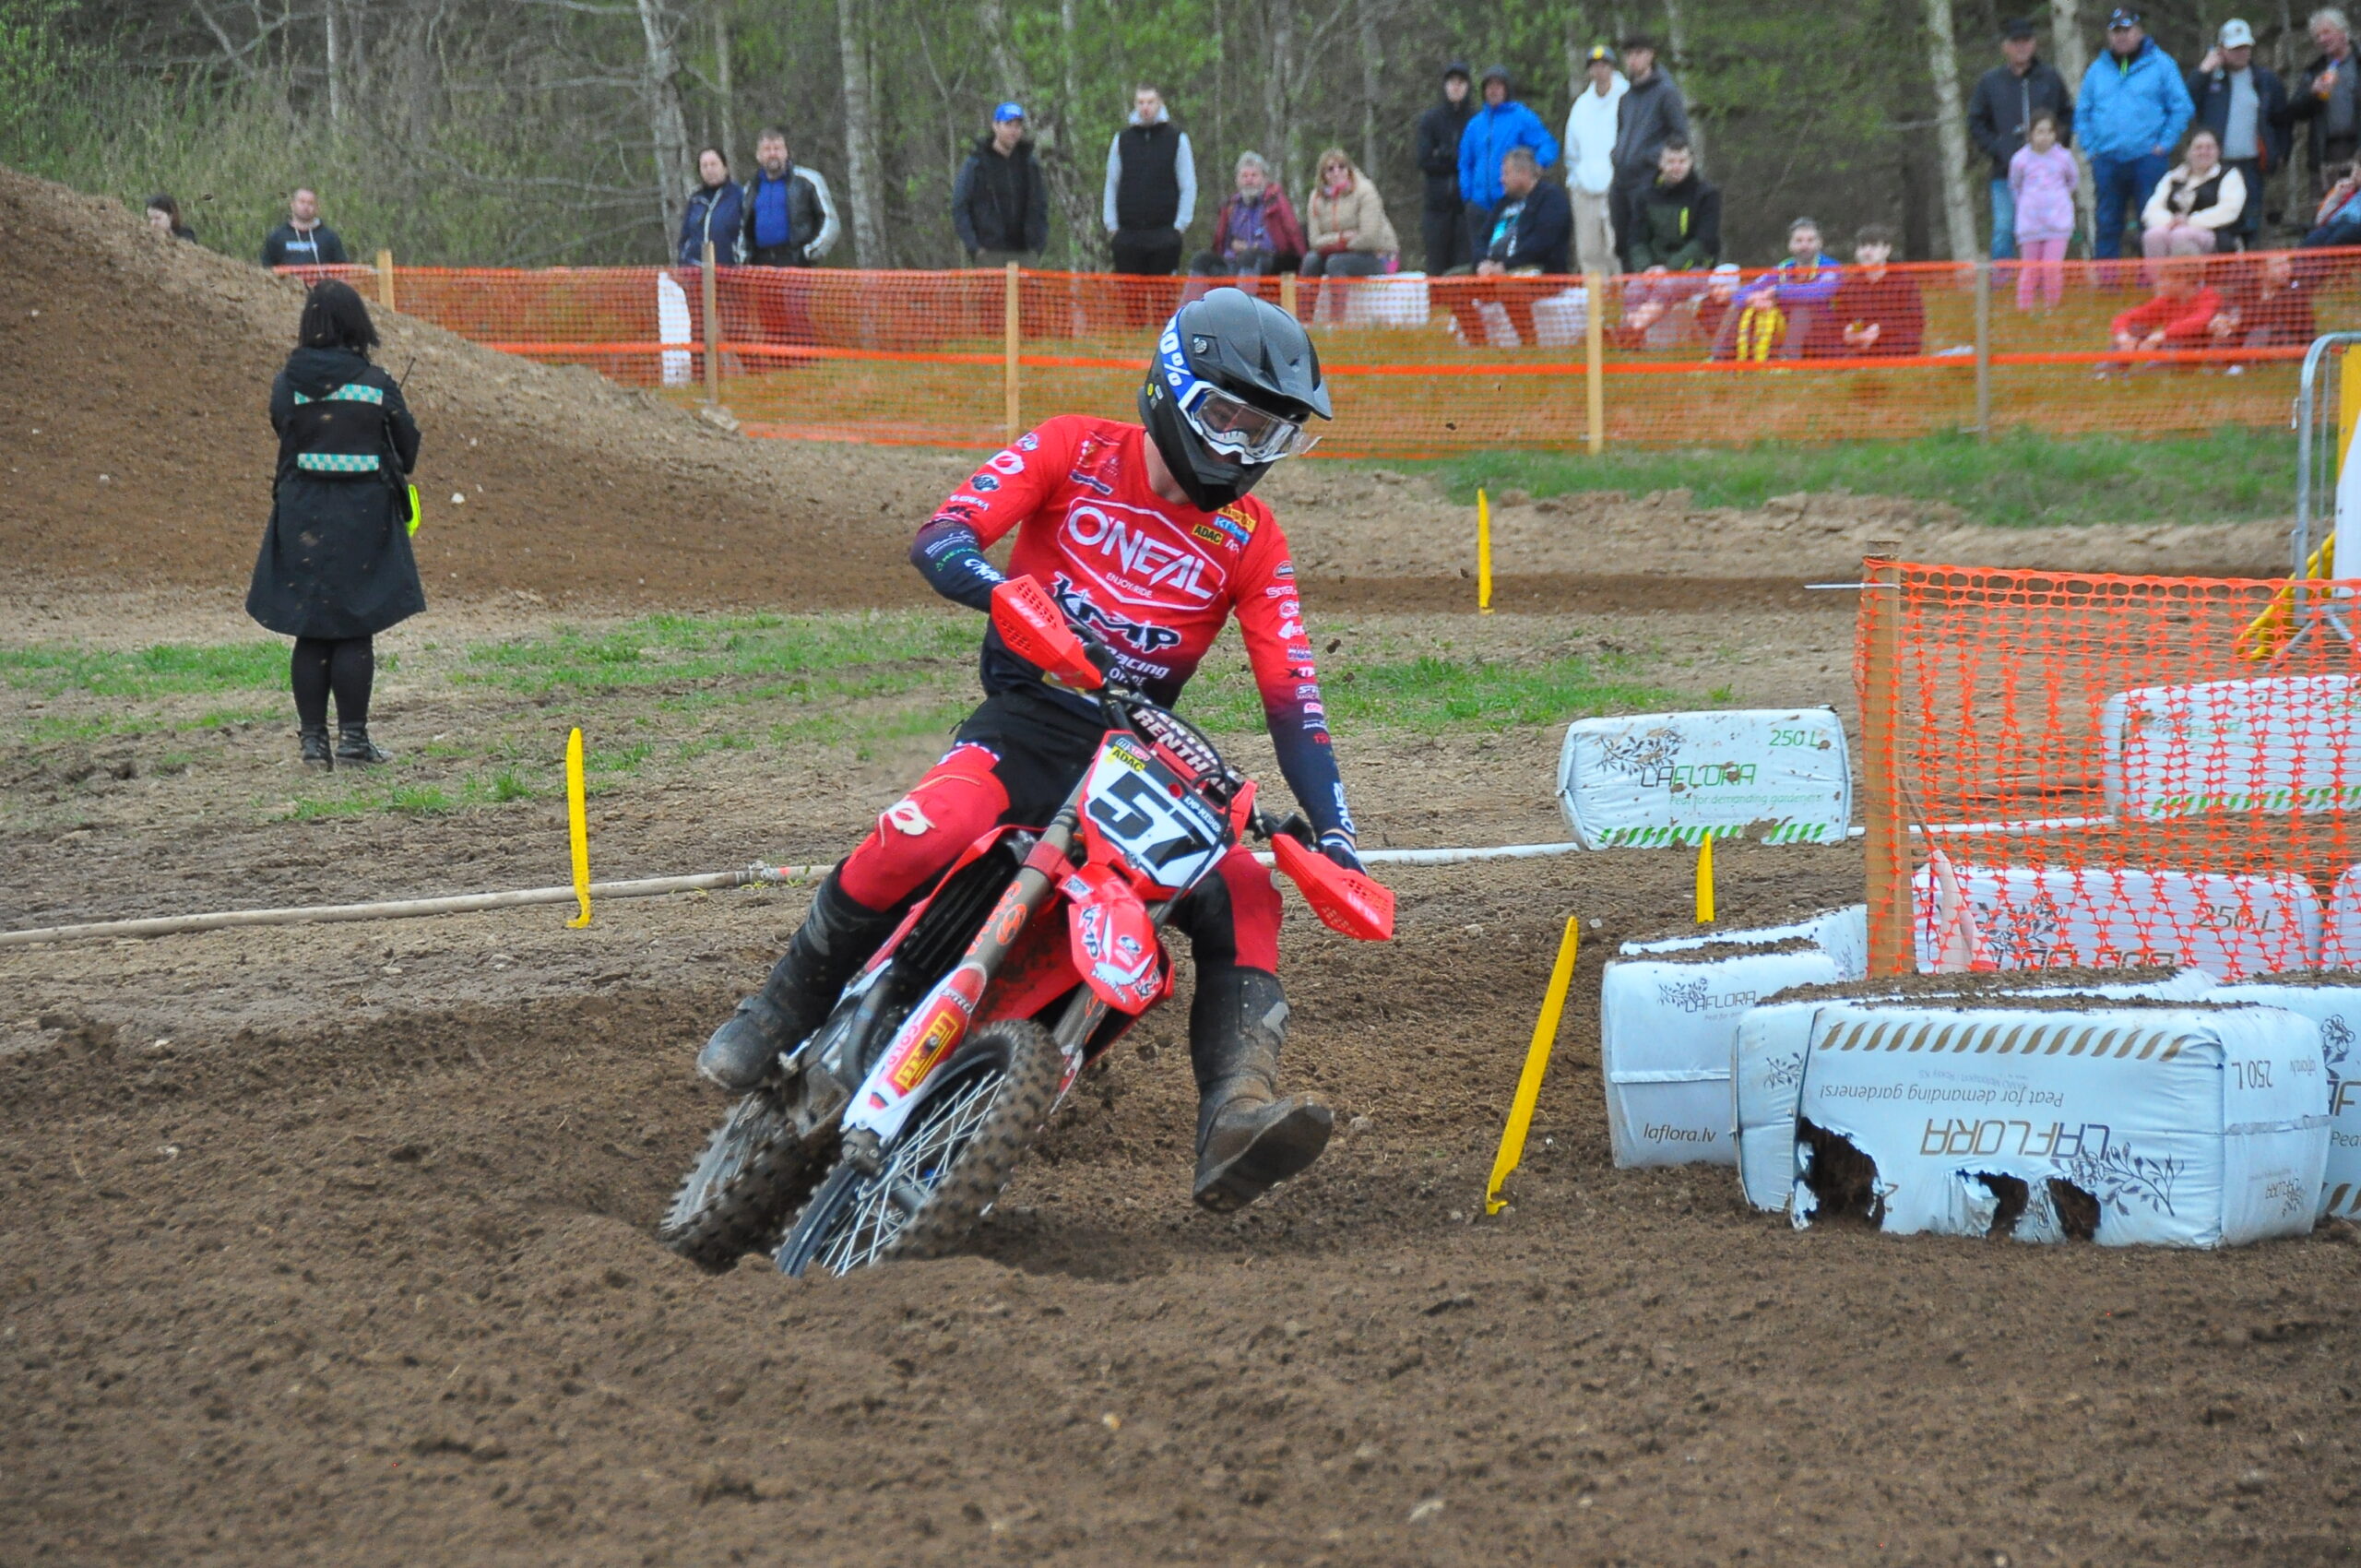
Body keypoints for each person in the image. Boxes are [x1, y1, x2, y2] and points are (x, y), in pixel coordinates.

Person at [698, 287, 1357, 1216]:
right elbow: (943, 537)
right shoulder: (1074, 449)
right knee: (930, 828)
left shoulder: (1252, 538)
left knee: (1245, 889)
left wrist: (1336, 831)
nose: (1244, 451)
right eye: (1228, 420)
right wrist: (1009, 598)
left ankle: (1234, 1112)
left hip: (1135, 753)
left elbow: (1294, 697)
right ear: (1171, 385)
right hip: (1029, 719)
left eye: (1269, 435)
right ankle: (781, 1006)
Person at [244, 281, 422, 770]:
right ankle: (354, 741)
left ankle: (313, 744)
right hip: (363, 519)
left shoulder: (287, 383)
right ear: (356, 324)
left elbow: (283, 429)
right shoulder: (377, 383)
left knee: (311, 628)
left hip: (301, 516)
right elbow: (406, 452)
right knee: (354, 626)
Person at [2079, 10, 2195, 264]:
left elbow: (2182, 107)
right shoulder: (2097, 70)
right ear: (2109, 35)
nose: (2121, 36)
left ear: (2139, 31)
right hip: (2107, 159)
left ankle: (2150, 278)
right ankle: (2107, 278)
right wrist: (2091, 148)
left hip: (2147, 158)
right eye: (2116, 31)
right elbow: (2083, 112)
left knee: (2151, 221)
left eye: (2127, 30)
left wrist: (2164, 144)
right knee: (2107, 222)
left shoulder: (2161, 64)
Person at [1968, 18, 2076, 261]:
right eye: (2015, 42)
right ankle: (2003, 280)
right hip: (2006, 171)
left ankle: (2045, 277)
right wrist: (1998, 148)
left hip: (2047, 175)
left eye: (2026, 41)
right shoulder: (1990, 82)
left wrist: (2057, 148)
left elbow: (2067, 114)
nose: (2021, 47)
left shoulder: (2050, 77)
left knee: (2050, 231)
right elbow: (1976, 121)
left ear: (2034, 43)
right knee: (2004, 228)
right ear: (2005, 46)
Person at [1444, 147, 1572, 348]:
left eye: (1506, 173)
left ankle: (1529, 343)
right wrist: (1482, 263)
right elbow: (1482, 239)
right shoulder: (1504, 203)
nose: (1501, 180)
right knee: (1451, 282)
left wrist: (1505, 266)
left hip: (1539, 272)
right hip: (1495, 271)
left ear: (1524, 173)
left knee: (1509, 286)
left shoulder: (1551, 199)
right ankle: (1478, 342)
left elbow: (1542, 243)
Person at [2187, 20, 2288, 247]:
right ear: (2221, 49)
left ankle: (2251, 264)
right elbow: (2185, 102)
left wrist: (2280, 152)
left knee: (2251, 222)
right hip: (2216, 166)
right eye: (2234, 48)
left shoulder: (2265, 80)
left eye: (2244, 47)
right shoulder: (2209, 80)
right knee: (2216, 225)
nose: (2241, 53)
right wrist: (2203, 70)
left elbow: (2281, 120)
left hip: (2252, 164)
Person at [1455, 65, 1559, 270]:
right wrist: (1467, 195)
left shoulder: (1522, 117)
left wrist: (1534, 168)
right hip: (1478, 206)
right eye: (1489, 86)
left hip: (1510, 204)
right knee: (1481, 262)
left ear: (1506, 89)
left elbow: (1548, 145)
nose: (1493, 91)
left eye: (1498, 86)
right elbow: (1465, 162)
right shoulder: (1475, 124)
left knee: (1508, 260)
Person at [1609, 37, 1692, 270]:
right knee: (1622, 242)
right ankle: (1629, 290)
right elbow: (1622, 134)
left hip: (1648, 179)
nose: (1633, 60)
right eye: (1629, 55)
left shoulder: (1666, 93)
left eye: (1638, 53)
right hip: (1621, 180)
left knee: (1644, 240)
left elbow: (1680, 135)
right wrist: (1616, 155)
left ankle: (1650, 290)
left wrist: (1653, 159)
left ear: (1650, 55)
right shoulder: (1626, 98)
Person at [1714, 218, 1840, 361]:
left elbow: (1820, 292)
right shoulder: (1783, 268)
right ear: (1790, 245)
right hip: (1784, 327)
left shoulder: (1831, 267)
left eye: (1810, 240)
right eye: (1799, 241)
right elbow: (1743, 292)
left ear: (1820, 243)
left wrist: (1779, 291)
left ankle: (1788, 361)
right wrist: (1753, 298)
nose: (1804, 246)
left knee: (1801, 310)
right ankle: (1718, 358)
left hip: (1823, 332)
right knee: (1737, 307)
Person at [1104, 85, 1197, 277]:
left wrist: (1179, 226)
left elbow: (1188, 185)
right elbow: (1112, 183)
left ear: (1159, 103)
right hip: (1128, 236)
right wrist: (1112, 226)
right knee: (1129, 295)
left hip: (1165, 235)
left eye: (1150, 102)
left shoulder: (1177, 139)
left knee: (1163, 294)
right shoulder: (1122, 140)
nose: (1145, 107)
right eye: (1141, 102)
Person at [1299, 147, 1399, 323]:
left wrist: (1334, 244)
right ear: (1323, 175)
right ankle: (1303, 321)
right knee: (1311, 260)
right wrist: (1342, 238)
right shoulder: (1316, 197)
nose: (1336, 172)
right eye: (1330, 169)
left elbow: (1369, 237)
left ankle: (1337, 323)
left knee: (1336, 262)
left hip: (1379, 255)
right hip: (1339, 251)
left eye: (1341, 167)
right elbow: (1314, 241)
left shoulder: (1365, 190)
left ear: (1349, 169)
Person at [953, 102, 1050, 266]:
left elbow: (1040, 205)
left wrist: (1038, 246)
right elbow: (960, 207)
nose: (1013, 131)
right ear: (995, 126)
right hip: (989, 253)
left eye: (1017, 126)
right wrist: (975, 248)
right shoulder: (976, 164)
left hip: (1025, 253)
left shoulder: (1029, 164)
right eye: (1008, 125)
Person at [1188, 152, 1304, 287]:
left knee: (1249, 257)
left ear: (1264, 179)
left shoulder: (1274, 203)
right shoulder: (1231, 206)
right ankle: (1192, 301)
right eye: (1244, 176)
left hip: (1270, 262)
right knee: (1202, 259)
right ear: (1237, 180)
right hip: (1233, 262)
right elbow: (1224, 245)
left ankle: (1243, 300)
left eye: (1254, 175)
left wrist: (1247, 247)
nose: (1249, 180)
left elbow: (1275, 244)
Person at [1563, 44, 1629, 275]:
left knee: (1617, 250)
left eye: (1604, 65)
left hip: (1617, 188)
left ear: (1612, 68)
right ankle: (1595, 298)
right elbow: (1571, 150)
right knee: (1589, 253)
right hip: (1585, 191)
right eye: (1595, 66)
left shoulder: (1627, 98)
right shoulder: (1582, 106)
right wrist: (1577, 180)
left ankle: (1622, 297)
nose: (1599, 70)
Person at [1811, 225, 1925, 357]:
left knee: (1908, 341)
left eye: (1873, 246)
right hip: (1857, 341)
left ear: (1887, 250)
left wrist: (1880, 330)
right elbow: (1840, 318)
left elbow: (1916, 321)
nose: (1866, 252)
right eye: (1862, 247)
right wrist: (1848, 331)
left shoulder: (1905, 281)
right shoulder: (1849, 285)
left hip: (1892, 340)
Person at [739, 128, 841, 267]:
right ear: (758, 155)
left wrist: (810, 253)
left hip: (796, 263)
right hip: (760, 265)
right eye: (767, 149)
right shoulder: (750, 188)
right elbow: (741, 226)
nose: (773, 154)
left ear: (786, 152)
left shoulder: (808, 181)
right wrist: (744, 255)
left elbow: (830, 221)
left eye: (777, 148)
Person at [2142, 127, 2247, 259]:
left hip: (2214, 234)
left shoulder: (2229, 175)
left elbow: (2229, 210)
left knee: (2181, 235)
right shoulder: (2172, 177)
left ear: (2218, 151)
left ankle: (2188, 274)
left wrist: (2190, 221)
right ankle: (2160, 274)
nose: (2204, 152)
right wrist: (2171, 222)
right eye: (2198, 148)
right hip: (2173, 228)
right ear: (2188, 152)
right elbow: (2152, 209)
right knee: (2153, 235)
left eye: (2209, 148)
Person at [2011, 110, 2081, 308]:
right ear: (2031, 134)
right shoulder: (2020, 159)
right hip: (2030, 224)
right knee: (2030, 269)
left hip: (2058, 223)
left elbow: (2073, 180)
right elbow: (2015, 185)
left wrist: (2058, 199)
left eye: (2049, 132)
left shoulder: (2064, 157)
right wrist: (2028, 204)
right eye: (2040, 132)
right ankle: (2025, 309)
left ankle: (2052, 307)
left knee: (2052, 269)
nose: (2045, 137)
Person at [2290, 8, 2361, 202]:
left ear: (2343, 32)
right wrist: (2312, 93)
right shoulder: (2315, 70)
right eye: (2317, 36)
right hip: (2326, 155)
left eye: (2326, 32)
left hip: (2358, 150)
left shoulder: (2357, 63)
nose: (2322, 39)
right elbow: (2295, 111)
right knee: (2327, 213)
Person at [1415, 64, 1477, 272]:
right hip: (1436, 208)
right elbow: (1424, 160)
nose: (1456, 87)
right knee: (1436, 267)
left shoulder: (1476, 121)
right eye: (1452, 82)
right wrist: (1456, 158)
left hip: (1465, 207)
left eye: (1461, 82)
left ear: (1468, 86)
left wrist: (1444, 154)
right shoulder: (1431, 120)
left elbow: (1475, 160)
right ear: (1444, 86)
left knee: (1463, 268)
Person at [1623, 138, 1719, 270]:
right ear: (1660, 163)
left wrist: (1669, 268)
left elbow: (1704, 241)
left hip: (1694, 268)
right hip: (1653, 270)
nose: (1676, 167)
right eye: (1670, 162)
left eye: (1682, 161)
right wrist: (1646, 268)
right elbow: (1636, 239)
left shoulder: (1707, 194)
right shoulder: (1645, 195)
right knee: (1634, 284)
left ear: (1691, 162)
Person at [2106, 259, 2221, 356]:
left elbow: (2199, 322)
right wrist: (2123, 337)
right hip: (2170, 342)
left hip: (2196, 347)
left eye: (2164, 279)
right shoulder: (2164, 301)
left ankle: (2157, 370)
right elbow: (2126, 317)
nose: (2159, 284)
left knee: (2177, 340)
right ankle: (2106, 370)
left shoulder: (2208, 297)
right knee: (2135, 328)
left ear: (2182, 280)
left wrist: (2161, 335)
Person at [2210, 251, 2315, 351]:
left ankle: (2247, 362)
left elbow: (2269, 315)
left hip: (2288, 342)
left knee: (2260, 331)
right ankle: (2214, 362)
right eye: (2279, 265)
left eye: (2287, 263)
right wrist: (2222, 317)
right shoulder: (2249, 287)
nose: (2286, 269)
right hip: (2247, 334)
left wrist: (2238, 320)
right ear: (2262, 270)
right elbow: (2231, 303)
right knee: (2223, 331)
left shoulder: (2295, 288)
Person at [676, 148, 744, 266]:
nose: (709, 170)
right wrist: (684, 257)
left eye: (713, 164)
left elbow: (746, 233)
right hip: (695, 269)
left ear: (725, 167)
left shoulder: (738, 196)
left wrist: (739, 259)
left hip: (728, 269)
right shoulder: (695, 199)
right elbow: (685, 235)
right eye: (704, 166)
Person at [260, 188, 348, 268]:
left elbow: (342, 268)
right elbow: (266, 269)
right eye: (302, 202)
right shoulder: (276, 237)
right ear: (292, 205)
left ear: (317, 208)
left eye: (310, 203)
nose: (306, 207)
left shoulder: (330, 237)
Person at [2303, 160, 2361, 241]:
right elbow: (2320, 220)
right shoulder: (2346, 191)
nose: (2354, 175)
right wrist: (2337, 196)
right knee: (2312, 239)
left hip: (2354, 226)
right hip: (2335, 224)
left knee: (2340, 236)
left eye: (2358, 172)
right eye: (2355, 171)